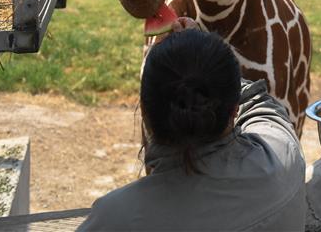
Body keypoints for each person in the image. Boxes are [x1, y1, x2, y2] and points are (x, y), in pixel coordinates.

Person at [79, 19, 305, 231]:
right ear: (234, 109)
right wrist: (208, 61)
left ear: (145, 112)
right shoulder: (283, 159)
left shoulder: (112, 218)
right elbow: (263, 106)